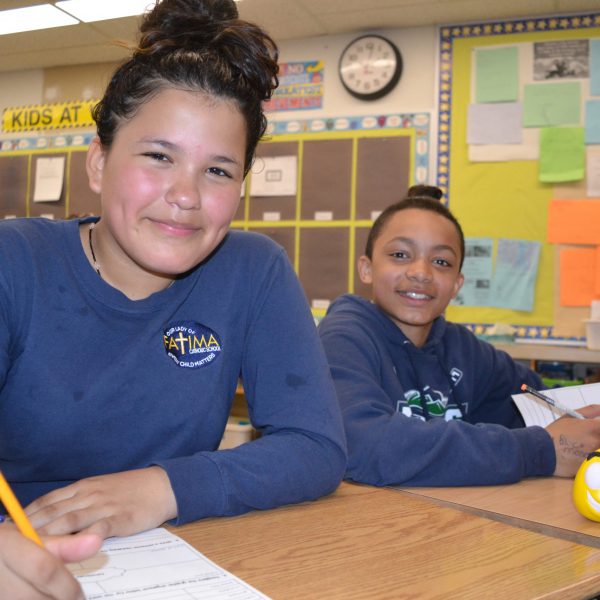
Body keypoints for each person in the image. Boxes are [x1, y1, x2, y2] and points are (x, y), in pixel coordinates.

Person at [0, 0, 346, 596]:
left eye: (218, 171)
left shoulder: (253, 271)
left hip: (170, 567)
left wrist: (161, 488)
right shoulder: (14, 261)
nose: (186, 195)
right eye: (159, 156)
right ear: (100, 162)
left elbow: (315, 446)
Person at [318, 189, 600, 488]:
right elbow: (364, 445)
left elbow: (540, 401)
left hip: (451, 519)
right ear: (366, 268)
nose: (420, 272)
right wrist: (537, 450)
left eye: (441, 262)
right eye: (400, 255)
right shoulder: (343, 339)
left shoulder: (464, 350)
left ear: (456, 285)